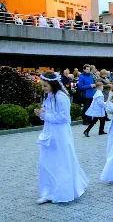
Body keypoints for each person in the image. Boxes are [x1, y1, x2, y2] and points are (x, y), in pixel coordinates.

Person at [34, 72, 88, 204]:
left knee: (61, 161)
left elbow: (64, 118)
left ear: (52, 84)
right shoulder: (50, 96)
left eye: (45, 86)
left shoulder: (61, 97)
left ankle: (62, 191)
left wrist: (45, 115)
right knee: (47, 161)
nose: (43, 89)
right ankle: (48, 191)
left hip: (60, 134)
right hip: (49, 131)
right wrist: (42, 114)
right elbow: (49, 113)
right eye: (42, 86)